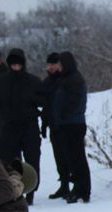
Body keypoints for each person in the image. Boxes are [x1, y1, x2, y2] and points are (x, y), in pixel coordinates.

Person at [0, 48, 42, 205]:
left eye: (18, 63)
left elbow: (43, 100)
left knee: (32, 158)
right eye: (13, 63)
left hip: (29, 126)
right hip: (9, 127)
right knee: (12, 162)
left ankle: (31, 191)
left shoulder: (33, 81)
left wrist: (33, 102)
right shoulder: (1, 81)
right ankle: (15, 190)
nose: (16, 66)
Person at [53, 51, 90, 203]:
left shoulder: (74, 79)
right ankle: (77, 188)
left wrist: (62, 115)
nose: (59, 67)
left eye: (61, 64)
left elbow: (74, 102)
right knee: (72, 159)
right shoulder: (65, 79)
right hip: (66, 124)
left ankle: (83, 189)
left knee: (77, 158)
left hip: (73, 124)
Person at [39, 53, 70, 199]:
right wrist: (44, 124)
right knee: (59, 157)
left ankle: (74, 185)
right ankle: (64, 185)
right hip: (53, 125)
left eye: (54, 64)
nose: (51, 67)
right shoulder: (46, 83)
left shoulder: (66, 80)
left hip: (66, 125)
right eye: (49, 64)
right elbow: (45, 106)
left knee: (69, 156)